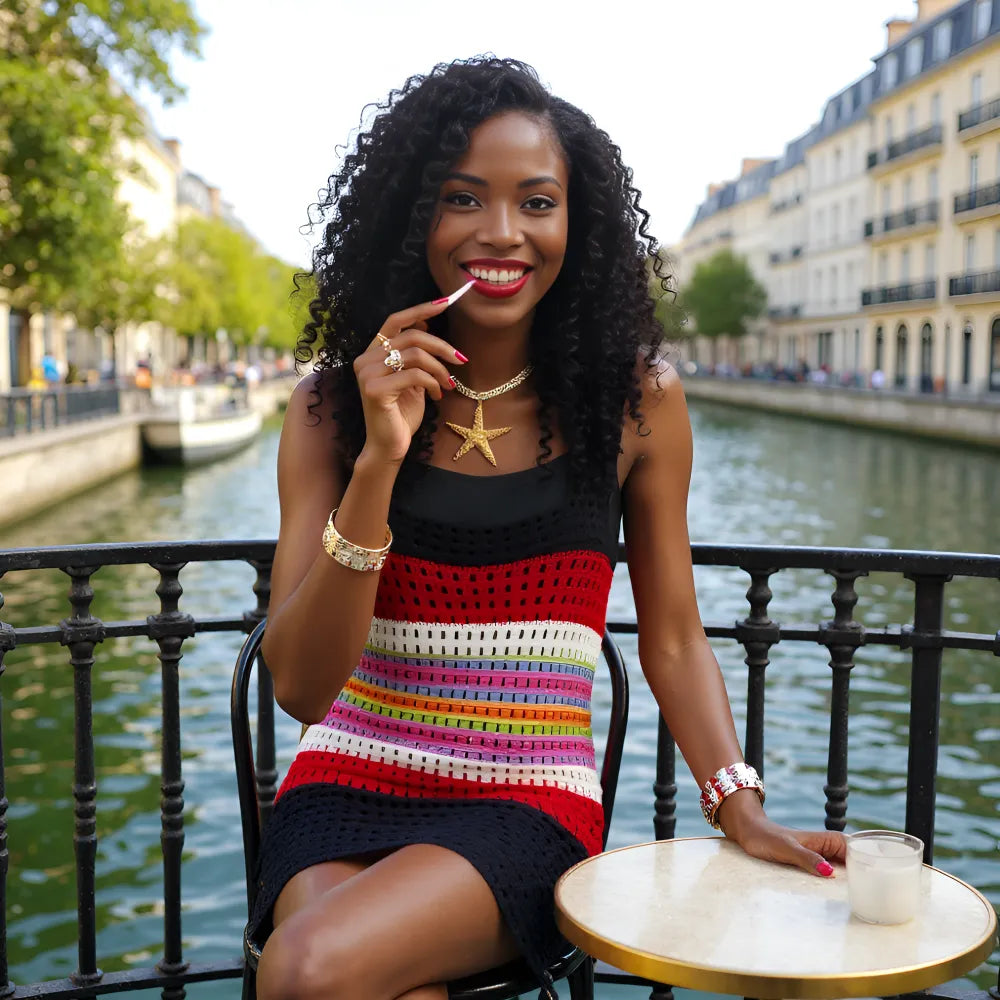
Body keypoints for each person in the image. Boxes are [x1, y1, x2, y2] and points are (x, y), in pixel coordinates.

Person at [254, 58, 846, 1000]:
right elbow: (299, 685)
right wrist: (378, 464)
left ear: (577, 222)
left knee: (308, 966)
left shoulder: (636, 403)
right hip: (347, 775)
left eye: (536, 202)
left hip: (527, 795)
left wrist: (739, 804)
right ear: (415, 218)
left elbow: (677, 637)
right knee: (368, 980)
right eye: (462, 199)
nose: (501, 233)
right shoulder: (330, 408)